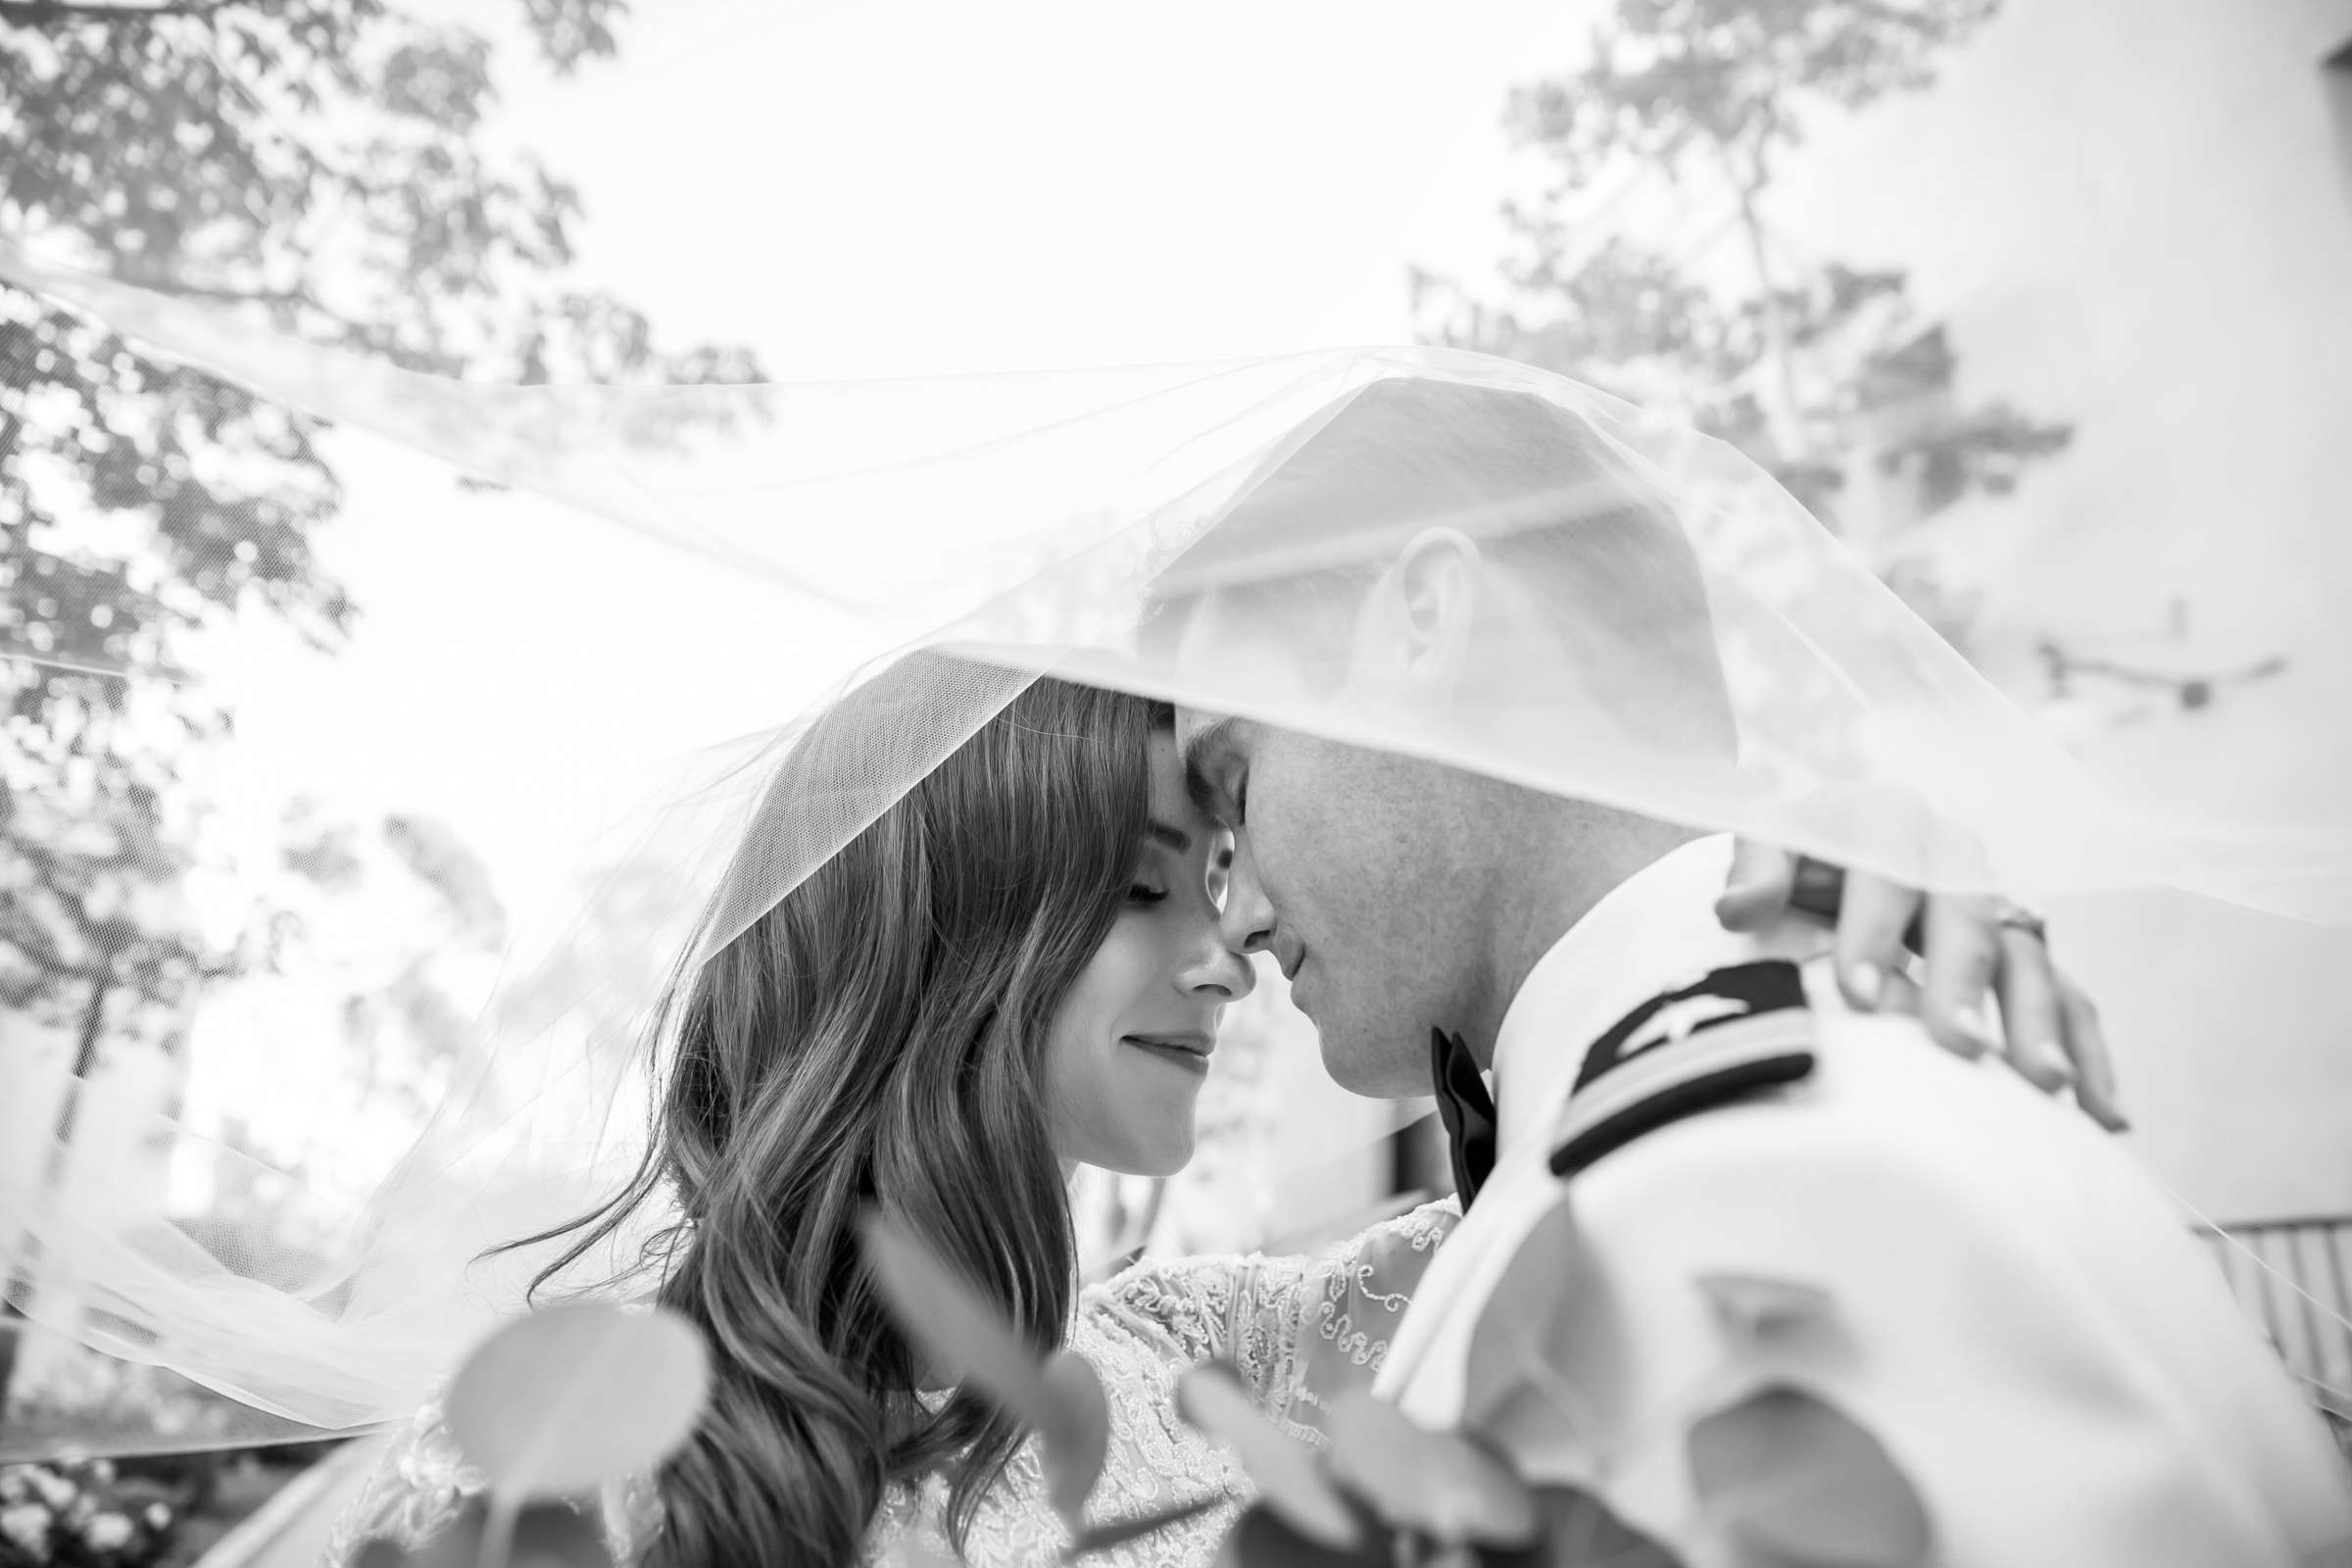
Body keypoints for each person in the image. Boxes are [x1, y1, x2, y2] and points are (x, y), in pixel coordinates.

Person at [323, 645, 2090, 1568]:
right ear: (953, 926)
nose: (1232, 950)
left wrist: (1796, 898)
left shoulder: (1230, 1359)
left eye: (1231, 875)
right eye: (1150, 888)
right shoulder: (563, 1430)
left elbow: (1602, 1187)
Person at [1152, 375, 2352, 1565]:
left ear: (1425, 623)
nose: (1242, 920)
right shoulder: (1739, 1110)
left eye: (1241, 792)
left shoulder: (1744, 1181)